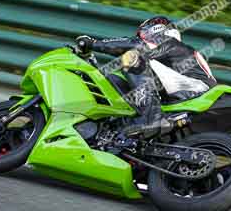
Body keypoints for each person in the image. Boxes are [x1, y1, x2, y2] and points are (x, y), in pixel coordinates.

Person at [75, 16, 217, 138]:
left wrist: (92, 44)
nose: (139, 37)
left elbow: (135, 45)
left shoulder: (167, 42)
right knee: (120, 80)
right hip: (193, 91)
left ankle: (151, 119)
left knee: (132, 57)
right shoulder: (177, 52)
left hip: (196, 91)